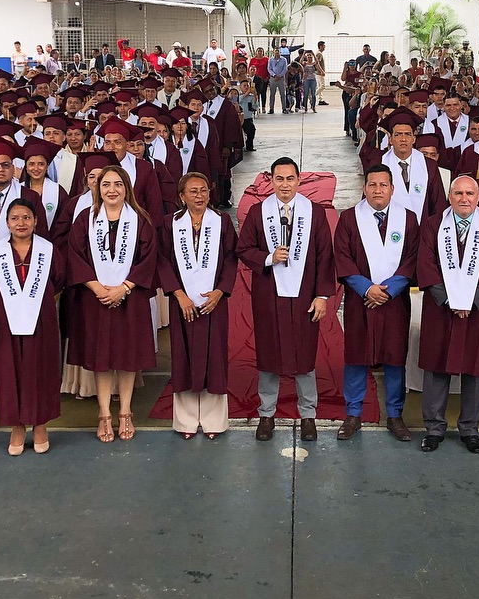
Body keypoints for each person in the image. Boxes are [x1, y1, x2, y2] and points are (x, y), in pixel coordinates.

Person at [236, 157, 335, 442]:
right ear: (271, 181)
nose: (285, 185)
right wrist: (268, 257)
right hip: (270, 295)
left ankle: (308, 415)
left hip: (304, 296)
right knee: (269, 356)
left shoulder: (314, 213)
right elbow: (244, 249)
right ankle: (266, 414)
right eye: (279, 179)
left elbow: (325, 256)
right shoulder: (259, 212)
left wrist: (321, 296)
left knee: (304, 356)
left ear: (299, 180)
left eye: (290, 178)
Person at [415, 174, 479, 453]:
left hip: (477, 311)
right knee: (436, 367)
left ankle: (470, 429)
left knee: (475, 370)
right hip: (441, 309)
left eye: (469, 194)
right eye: (458, 193)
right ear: (450, 197)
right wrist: (450, 300)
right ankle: (434, 428)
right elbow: (426, 264)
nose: (464, 199)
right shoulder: (432, 226)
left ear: (478, 198)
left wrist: (470, 301)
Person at [67, 164, 158, 443]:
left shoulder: (140, 219)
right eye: (106, 184)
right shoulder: (85, 219)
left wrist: (124, 288)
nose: (112, 190)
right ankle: (104, 412)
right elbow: (75, 255)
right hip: (95, 299)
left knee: (128, 357)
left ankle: (126, 411)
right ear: (98, 188)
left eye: (118, 184)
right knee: (102, 358)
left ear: (126, 188)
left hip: (130, 299)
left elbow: (148, 258)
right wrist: (97, 287)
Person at [333, 165, 420, 441]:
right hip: (360, 301)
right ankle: (353, 414)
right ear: (364, 188)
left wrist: (389, 290)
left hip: (395, 302)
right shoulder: (349, 219)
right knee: (356, 356)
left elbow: (412, 259)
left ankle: (394, 415)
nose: (378, 190)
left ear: (392, 189)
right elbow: (342, 257)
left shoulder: (408, 219)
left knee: (395, 357)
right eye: (372, 185)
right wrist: (366, 288)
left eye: (383, 185)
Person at [0, 197, 66, 455]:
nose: (21, 223)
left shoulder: (48, 251)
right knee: (10, 375)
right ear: (7, 223)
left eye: (26, 217)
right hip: (5, 324)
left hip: (41, 322)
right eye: (15, 218)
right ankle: (17, 427)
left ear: (36, 221)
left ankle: (40, 425)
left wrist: (33, 300)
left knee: (41, 372)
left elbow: (59, 279)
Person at [158, 172, 237, 438]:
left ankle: (214, 421)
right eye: (193, 191)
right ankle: (186, 422)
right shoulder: (170, 224)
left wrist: (220, 291)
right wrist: (178, 294)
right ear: (182, 196)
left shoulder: (222, 221)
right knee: (184, 359)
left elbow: (231, 258)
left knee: (214, 359)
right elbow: (162, 260)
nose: (199, 195)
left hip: (214, 303)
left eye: (203, 190)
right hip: (183, 304)